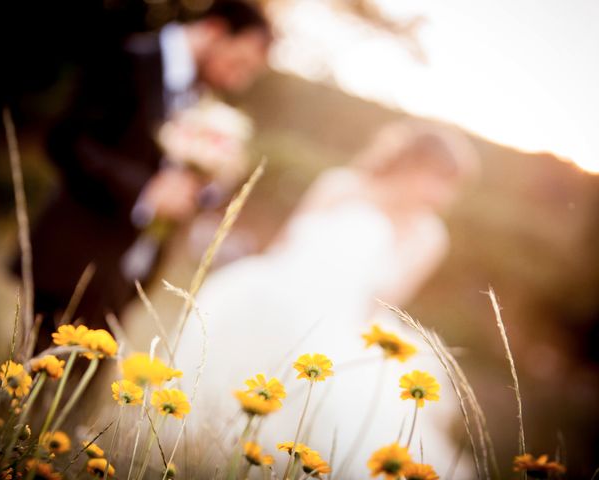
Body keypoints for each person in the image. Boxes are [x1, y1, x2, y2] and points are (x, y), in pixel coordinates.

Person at [175, 119, 480, 477]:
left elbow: (383, 303)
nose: (442, 196)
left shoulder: (429, 236)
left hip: (340, 327)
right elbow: (286, 244)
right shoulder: (340, 185)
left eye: (451, 187)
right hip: (274, 296)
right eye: (439, 180)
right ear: (411, 166)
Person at [17, 1, 272, 350]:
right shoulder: (129, 57)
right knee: (33, 384)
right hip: (74, 260)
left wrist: (208, 184)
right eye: (238, 63)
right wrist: (145, 191)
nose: (237, 79)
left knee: (83, 394)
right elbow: (67, 140)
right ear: (214, 30)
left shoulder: (204, 96)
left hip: (129, 275)